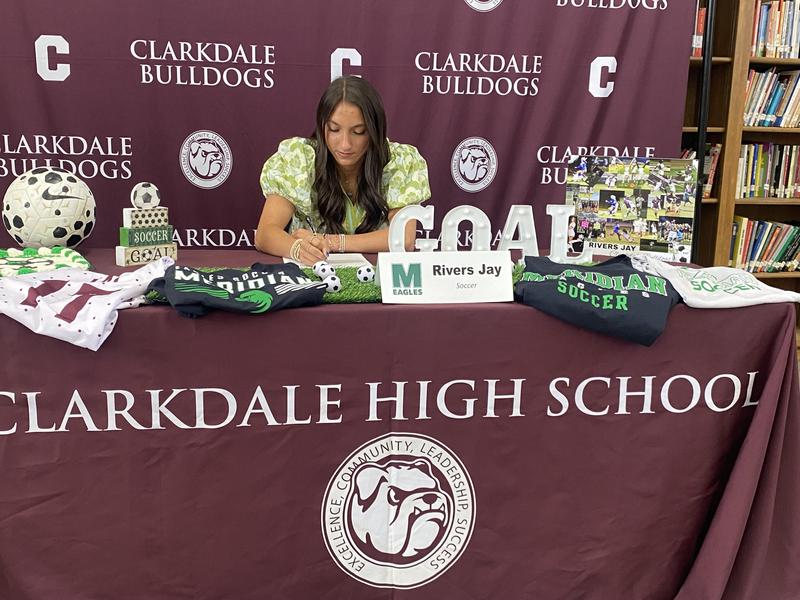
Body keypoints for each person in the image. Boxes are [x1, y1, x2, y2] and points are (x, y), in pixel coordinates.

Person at [255, 76, 431, 264]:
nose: (345, 144)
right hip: (311, 279)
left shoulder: (400, 161)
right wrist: (297, 249)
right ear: (322, 126)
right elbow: (265, 233)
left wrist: (333, 242)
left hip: (379, 281)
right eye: (334, 129)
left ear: (374, 130)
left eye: (358, 132)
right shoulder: (298, 158)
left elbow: (404, 238)